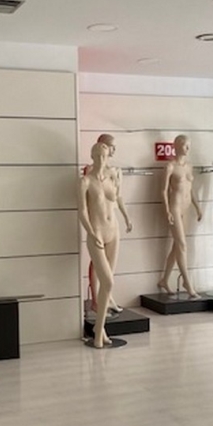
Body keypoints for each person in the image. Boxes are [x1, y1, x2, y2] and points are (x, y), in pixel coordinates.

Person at [78, 141, 122, 348]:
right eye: (98, 156)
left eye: (105, 156)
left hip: (114, 231)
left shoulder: (112, 177)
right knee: (108, 282)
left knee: (107, 284)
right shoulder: (85, 182)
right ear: (92, 157)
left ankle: (100, 328)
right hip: (96, 233)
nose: (102, 160)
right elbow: (82, 211)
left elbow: (117, 201)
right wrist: (90, 231)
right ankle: (98, 330)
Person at [85, 134, 132, 313]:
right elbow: (87, 203)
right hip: (97, 226)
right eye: (110, 146)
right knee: (97, 263)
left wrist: (126, 217)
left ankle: (107, 297)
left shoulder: (115, 172)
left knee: (110, 268)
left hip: (112, 225)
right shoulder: (89, 172)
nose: (113, 150)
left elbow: (118, 197)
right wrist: (90, 230)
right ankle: (96, 300)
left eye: (113, 147)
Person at [158, 134, 203, 297]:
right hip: (175, 207)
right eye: (185, 145)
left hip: (187, 207)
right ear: (176, 146)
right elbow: (163, 191)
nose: (188, 148)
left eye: (189, 145)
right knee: (182, 245)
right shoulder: (170, 166)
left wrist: (198, 207)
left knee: (177, 246)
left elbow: (191, 190)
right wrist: (167, 210)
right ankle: (187, 283)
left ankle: (164, 280)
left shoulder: (189, 166)